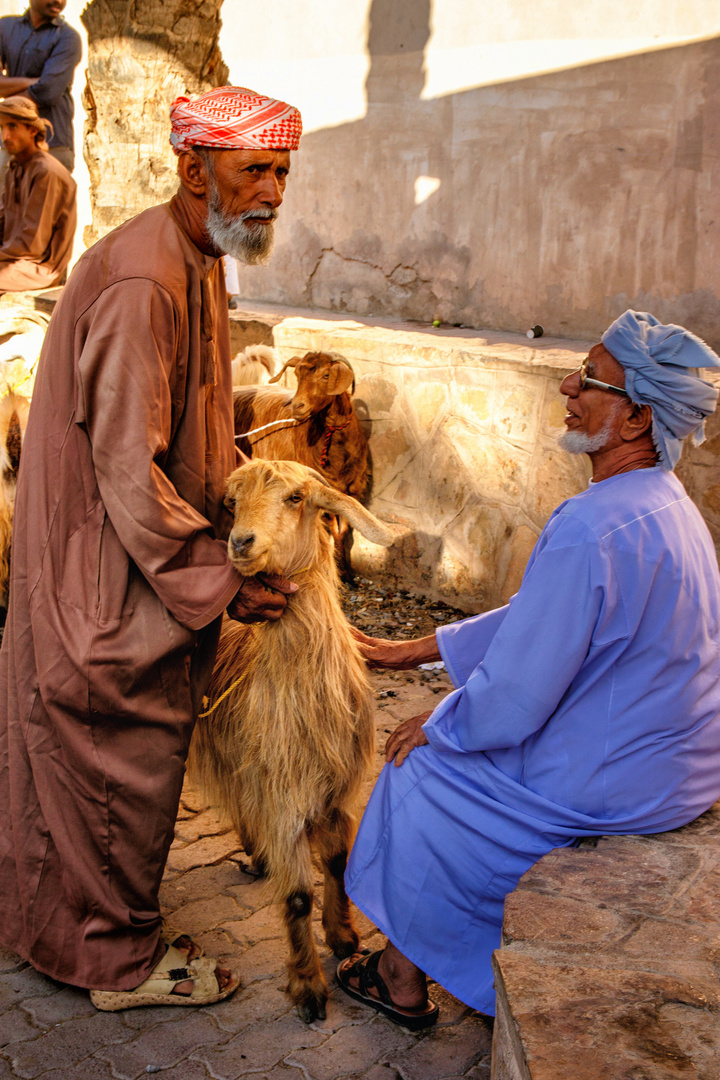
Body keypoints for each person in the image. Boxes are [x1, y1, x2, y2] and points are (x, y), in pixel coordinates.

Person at [0, 85, 302, 1010]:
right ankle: (117, 966)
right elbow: (131, 472)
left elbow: (188, 424)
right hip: (105, 574)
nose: (273, 190)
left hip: (119, 558)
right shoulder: (146, 279)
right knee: (109, 759)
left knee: (73, 771)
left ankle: (52, 929)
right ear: (192, 165)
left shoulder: (197, 253)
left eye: (282, 170)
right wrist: (220, 579)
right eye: (255, 167)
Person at [338, 310, 720, 1028]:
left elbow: (514, 696)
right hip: (680, 773)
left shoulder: (589, 526)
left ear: (637, 419)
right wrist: (413, 649)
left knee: (415, 770)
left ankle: (402, 975)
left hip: (619, 788)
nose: (568, 386)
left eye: (592, 380)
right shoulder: (665, 506)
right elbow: (541, 620)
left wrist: (442, 724)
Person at [0, 94, 75, 291]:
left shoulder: (46, 172)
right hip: (12, 260)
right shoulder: (15, 168)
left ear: (32, 130)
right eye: (2, 128)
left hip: (37, 268)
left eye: (12, 127)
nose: (5, 136)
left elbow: (32, 246)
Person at [0, 0, 81, 174]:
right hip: (9, 148)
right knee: (6, 202)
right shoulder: (4, 28)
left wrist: (7, 94)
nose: (58, 1)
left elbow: (47, 93)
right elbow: (43, 87)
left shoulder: (68, 37)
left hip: (52, 146)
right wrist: (32, 82)